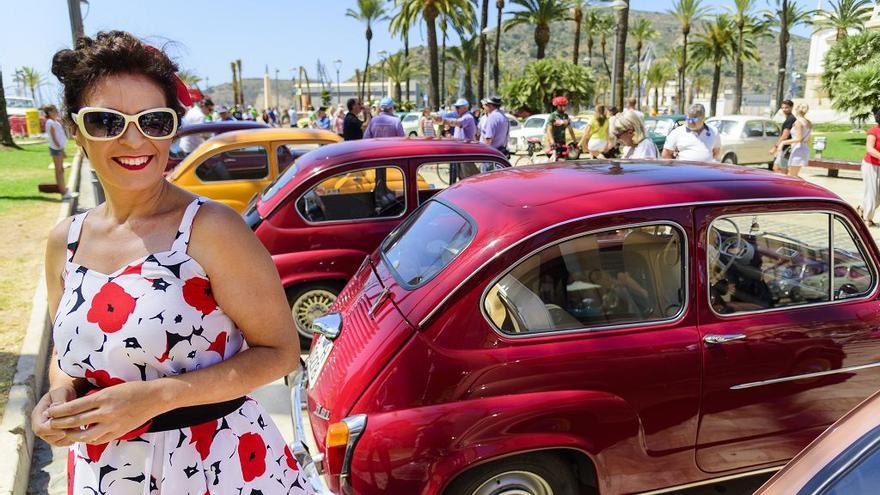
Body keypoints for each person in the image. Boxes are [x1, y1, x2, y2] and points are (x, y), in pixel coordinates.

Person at [35, 31, 311, 494]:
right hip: (107, 473)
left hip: (215, 466)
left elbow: (280, 353)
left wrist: (156, 398)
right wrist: (60, 394)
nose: (134, 139)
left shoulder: (212, 229)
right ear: (77, 131)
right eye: (106, 121)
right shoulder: (65, 241)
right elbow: (67, 357)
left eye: (153, 121)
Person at [43, 104, 75, 199]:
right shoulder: (50, 123)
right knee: (59, 170)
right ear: (49, 112)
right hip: (56, 149)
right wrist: (61, 149)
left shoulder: (54, 122)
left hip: (58, 148)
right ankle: (63, 192)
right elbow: (54, 138)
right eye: (54, 110)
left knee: (61, 170)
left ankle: (64, 189)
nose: (57, 112)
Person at [779, 103, 811, 178]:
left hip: (798, 150)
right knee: (793, 175)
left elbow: (799, 138)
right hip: (804, 149)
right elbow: (808, 140)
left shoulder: (798, 122)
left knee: (791, 176)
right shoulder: (808, 122)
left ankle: (807, 185)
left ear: (797, 110)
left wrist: (783, 142)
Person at [860, 108, 880, 226]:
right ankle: (867, 218)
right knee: (871, 193)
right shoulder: (873, 131)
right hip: (871, 165)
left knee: (878, 196)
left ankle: (862, 208)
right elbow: (869, 148)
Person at [770, 99, 796, 174]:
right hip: (784, 148)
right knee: (776, 168)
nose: (784, 109)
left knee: (782, 170)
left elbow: (785, 136)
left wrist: (775, 147)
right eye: (783, 108)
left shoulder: (790, 119)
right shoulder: (789, 119)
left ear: (791, 107)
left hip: (786, 148)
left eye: (786, 107)